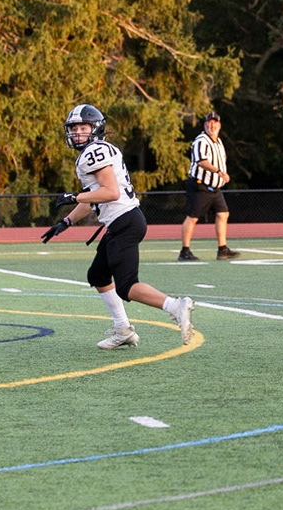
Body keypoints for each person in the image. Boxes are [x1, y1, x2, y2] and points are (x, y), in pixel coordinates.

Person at [46, 104, 196, 349]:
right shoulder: (99, 150)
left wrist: (73, 197)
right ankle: (123, 329)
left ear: (95, 128)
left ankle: (175, 306)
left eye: (82, 128)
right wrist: (66, 221)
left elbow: (110, 193)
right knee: (98, 275)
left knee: (127, 286)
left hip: (124, 221)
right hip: (123, 221)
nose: (76, 133)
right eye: (73, 128)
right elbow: (94, 195)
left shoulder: (93, 152)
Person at [178, 112, 240, 261]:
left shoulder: (218, 142)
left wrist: (223, 174)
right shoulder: (201, 140)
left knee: (223, 214)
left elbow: (220, 161)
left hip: (214, 188)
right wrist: (218, 172)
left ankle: (222, 249)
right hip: (200, 185)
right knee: (193, 217)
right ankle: (184, 251)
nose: (212, 125)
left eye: (215, 123)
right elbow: (201, 161)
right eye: (209, 123)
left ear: (219, 125)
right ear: (205, 125)